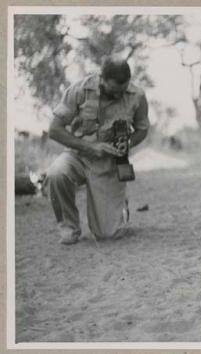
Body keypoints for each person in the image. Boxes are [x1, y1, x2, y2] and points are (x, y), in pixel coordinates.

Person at [46, 57, 150, 245]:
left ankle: (120, 208)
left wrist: (128, 143)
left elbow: (142, 129)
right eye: (113, 92)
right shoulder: (79, 90)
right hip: (78, 156)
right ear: (101, 78)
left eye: (122, 91)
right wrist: (89, 146)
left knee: (108, 235)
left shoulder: (138, 96)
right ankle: (69, 227)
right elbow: (54, 130)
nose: (119, 96)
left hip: (109, 164)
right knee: (56, 173)